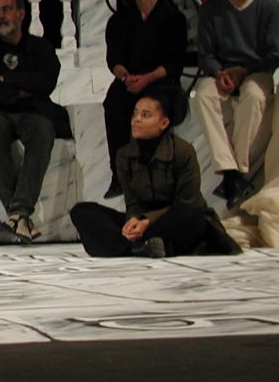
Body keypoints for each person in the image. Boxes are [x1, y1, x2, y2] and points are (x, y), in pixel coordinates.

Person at [70, 90, 241, 258]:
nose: (137, 119)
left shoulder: (182, 151)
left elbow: (187, 202)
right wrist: (133, 220)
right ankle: (140, 247)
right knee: (82, 211)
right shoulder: (125, 154)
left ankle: (133, 246)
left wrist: (147, 221)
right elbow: (132, 202)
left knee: (190, 215)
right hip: (144, 223)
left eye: (145, 115)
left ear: (164, 123)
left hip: (174, 219)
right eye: (135, 114)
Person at [0, 0, 72, 244]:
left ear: (21, 13)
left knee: (43, 129)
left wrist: (8, 80)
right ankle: (20, 213)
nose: (1, 16)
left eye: (7, 9)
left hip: (31, 112)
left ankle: (17, 215)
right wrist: (22, 91)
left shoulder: (41, 48)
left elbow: (46, 83)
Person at [194, 0, 279, 208]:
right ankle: (230, 171)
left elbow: (274, 53)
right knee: (203, 95)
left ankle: (238, 171)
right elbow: (205, 53)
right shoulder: (212, 9)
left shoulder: (268, 8)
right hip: (224, 72)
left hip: (255, 71)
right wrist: (219, 72)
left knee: (254, 95)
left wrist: (245, 71)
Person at [102, 0, 188, 198]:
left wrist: (147, 79)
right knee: (114, 102)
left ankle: (159, 172)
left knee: (155, 105)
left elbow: (174, 63)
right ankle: (119, 174)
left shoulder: (173, 19)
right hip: (130, 81)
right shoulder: (120, 20)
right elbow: (114, 59)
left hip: (160, 82)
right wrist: (126, 77)